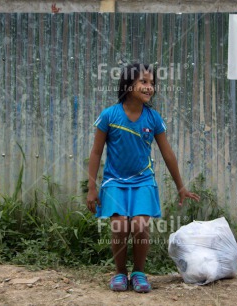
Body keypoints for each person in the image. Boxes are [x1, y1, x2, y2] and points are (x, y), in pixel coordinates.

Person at [86, 63, 200, 293]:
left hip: (143, 181)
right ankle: (120, 273)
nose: (150, 87)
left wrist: (181, 186)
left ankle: (138, 272)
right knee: (119, 226)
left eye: (152, 83)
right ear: (128, 85)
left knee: (139, 225)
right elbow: (96, 152)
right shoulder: (109, 115)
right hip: (114, 181)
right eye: (144, 82)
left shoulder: (153, 118)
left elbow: (167, 154)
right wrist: (91, 187)